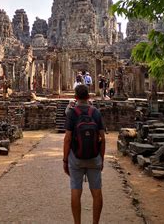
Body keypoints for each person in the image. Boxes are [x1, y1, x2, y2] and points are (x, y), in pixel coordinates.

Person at [63, 84, 105, 224]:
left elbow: (67, 139)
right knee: (97, 192)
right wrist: (101, 159)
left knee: (76, 190)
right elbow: (102, 139)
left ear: (75, 97)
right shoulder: (96, 113)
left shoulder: (72, 113)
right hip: (94, 157)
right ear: (89, 96)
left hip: (76, 158)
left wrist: (65, 160)